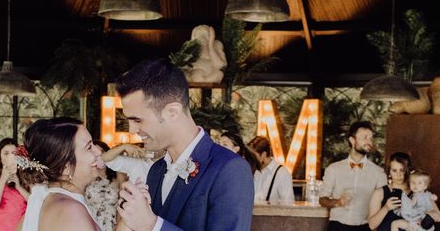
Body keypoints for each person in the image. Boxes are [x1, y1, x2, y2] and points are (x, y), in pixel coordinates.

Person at [115, 58, 254, 231]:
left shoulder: (230, 169)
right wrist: (129, 219)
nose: (131, 130)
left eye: (137, 120)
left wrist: (152, 225)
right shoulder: (156, 171)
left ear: (172, 112)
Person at [17, 117, 103, 231]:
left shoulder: (44, 202)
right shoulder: (71, 212)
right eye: (89, 147)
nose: (98, 152)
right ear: (65, 167)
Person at [319, 121, 387, 231]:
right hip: (337, 226)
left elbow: (383, 205)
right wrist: (338, 202)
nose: (369, 142)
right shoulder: (333, 169)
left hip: (364, 227)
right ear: (352, 140)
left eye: (370, 138)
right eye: (365, 137)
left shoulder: (378, 173)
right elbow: (322, 200)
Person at [0, 137, 29, 231]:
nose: (10, 157)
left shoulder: (25, 175)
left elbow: (33, 202)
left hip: (22, 227)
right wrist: (3, 178)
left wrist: (19, 187)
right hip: (0, 227)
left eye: (13, 153)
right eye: (6, 153)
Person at [368, 152, 413, 231]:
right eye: (394, 170)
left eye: (402, 170)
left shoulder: (416, 191)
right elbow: (372, 226)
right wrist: (386, 208)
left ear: (408, 170)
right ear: (389, 172)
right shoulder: (380, 193)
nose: (399, 175)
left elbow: (436, 216)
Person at [85, 141, 121, 231]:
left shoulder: (118, 175)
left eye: (102, 151)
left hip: (114, 225)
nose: (98, 155)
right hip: (90, 224)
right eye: (93, 152)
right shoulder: (86, 176)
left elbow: (122, 203)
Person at [247, 135, 294, 203]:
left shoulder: (282, 174)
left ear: (263, 155)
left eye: (253, 156)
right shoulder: (252, 170)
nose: (250, 159)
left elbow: (288, 205)